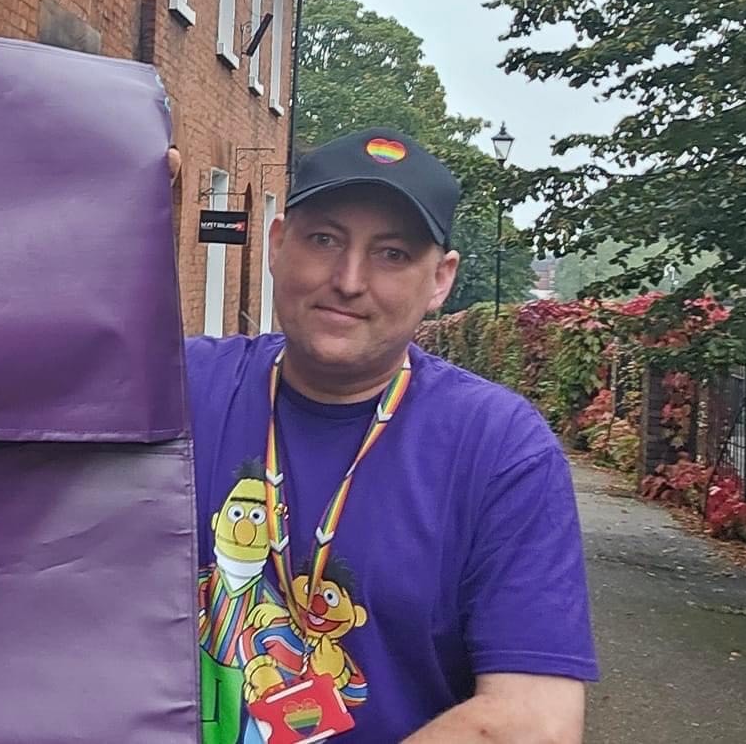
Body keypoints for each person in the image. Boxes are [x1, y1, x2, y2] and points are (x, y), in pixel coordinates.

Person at [179, 129, 597, 743]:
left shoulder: (500, 450)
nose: (349, 280)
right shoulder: (184, 387)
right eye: (324, 240)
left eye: (392, 254)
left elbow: (531, 722)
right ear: (276, 245)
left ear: (440, 280)